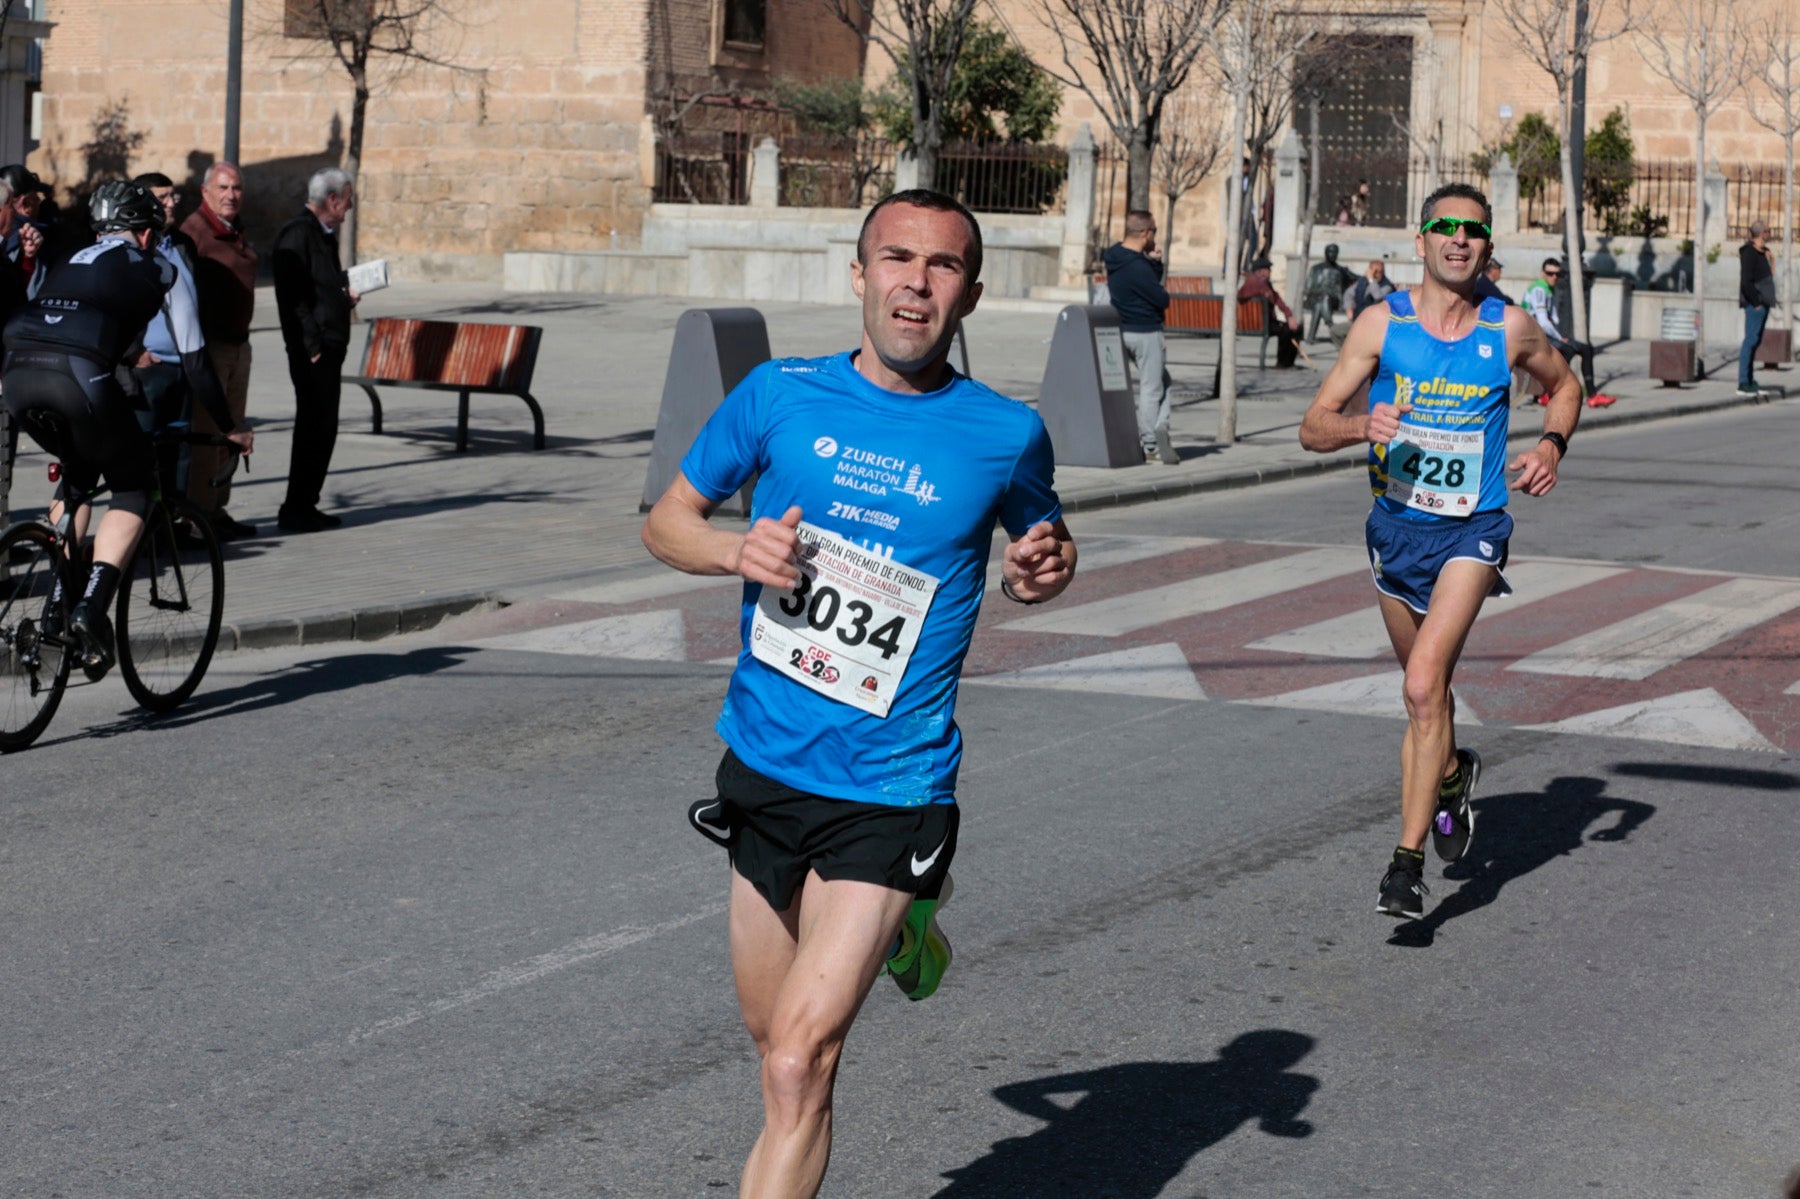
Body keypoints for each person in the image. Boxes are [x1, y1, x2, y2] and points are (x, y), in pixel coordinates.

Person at [640, 188, 1076, 1199]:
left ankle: (898, 901)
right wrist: (728, 547)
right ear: (858, 273)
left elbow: (1040, 546)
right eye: (896, 258)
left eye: (943, 265)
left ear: (969, 292)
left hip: (893, 785)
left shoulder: (1004, 432)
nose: (915, 283)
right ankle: (906, 927)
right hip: (765, 765)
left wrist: (1039, 571)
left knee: (800, 1059)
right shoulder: (779, 394)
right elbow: (667, 519)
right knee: (771, 1045)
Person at [1297, 182, 1581, 920]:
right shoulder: (1378, 327)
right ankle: (1453, 774)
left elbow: (1566, 385)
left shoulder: (1509, 327)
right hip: (1396, 530)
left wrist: (1551, 442)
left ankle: (1405, 862)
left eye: (1474, 230)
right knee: (1431, 702)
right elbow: (1312, 426)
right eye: (1445, 227)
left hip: (1472, 529)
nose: (1459, 238)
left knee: (1424, 686)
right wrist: (1363, 427)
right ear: (1419, 240)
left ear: (1489, 245)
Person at [1, 181, 252, 673]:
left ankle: (58, 598)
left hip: (18, 375)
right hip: (77, 379)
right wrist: (231, 426)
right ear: (145, 233)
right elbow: (196, 360)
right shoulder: (163, 264)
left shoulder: (75, 256)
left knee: (77, 473)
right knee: (134, 487)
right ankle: (91, 607)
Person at [273, 167, 357, 533]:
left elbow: (319, 286)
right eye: (348, 201)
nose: (349, 209)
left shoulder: (321, 234)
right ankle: (296, 507)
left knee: (323, 428)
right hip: (314, 352)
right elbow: (292, 298)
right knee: (314, 428)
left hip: (327, 346)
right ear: (333, 199)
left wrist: (343, 295)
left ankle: (305, 503)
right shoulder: (298, 234)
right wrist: (311, 346)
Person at [131, 171, 221, 501]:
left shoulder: (181, 243)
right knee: (147, 459)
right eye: (163, 198)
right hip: (148, 370)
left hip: (183, 367)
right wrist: (133, 352)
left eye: (173, 197)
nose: (171, 204)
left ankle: (176, 529)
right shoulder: (130, 247)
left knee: (180, 456)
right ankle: (145, 538)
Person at [181, 162, 259, 539]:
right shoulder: (194, 232)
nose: (231, 195)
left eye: (237, 188)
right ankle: (198, 518)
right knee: (208, 436)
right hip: (210, 347)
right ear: (206, 192)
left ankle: (218, 510)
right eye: (224, 188)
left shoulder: (233, 229)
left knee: (234, 432)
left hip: (239, 345)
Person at [1102, 209, 1177, 464]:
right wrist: (1153, 265)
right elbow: (1161, 298)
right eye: (1154, 231)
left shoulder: (1114, 256)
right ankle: (1151, 444)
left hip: (1120, 330)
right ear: (1145, 232)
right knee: (1151, 388)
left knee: (1164, 382)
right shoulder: (1137, 266)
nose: (1155, 236)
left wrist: (1154, 262)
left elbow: (1145, 284)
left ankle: (1160, 426)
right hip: (1146, 332)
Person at [1522, 257, 1615, 407]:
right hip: (1532, 336)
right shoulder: (1539, 289)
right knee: (1566, 350)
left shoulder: (1550, 290)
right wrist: (1560, 339)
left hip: (1543, 334)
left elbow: (1553, 320)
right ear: (1542, 273)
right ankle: (1550, 393)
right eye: (1550, 273)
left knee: (1586, 348)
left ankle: (1592, 395)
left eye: (1557, 274)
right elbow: (1543, 322)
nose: (1554, 277)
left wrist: (1560, 338)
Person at [1737, 220, 1776, 398]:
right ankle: (1743, 382)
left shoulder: (1762, 253)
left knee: (1755, 342)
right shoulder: (1749, 253)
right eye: (1768, 231)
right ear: (1761, 234)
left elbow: (1769, 276)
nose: (1770, 234)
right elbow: (1746, 282)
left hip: (1762, 304)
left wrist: (1770, 258)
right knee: (1750, 341)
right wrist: (1757, 302)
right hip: (1755, 306)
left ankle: (1750, 381)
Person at [1240, 257, 1301, 368]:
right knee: (1287, 330)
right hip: (1259, 324)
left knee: (1295, 328)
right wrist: (1288, 316)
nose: (1270, 271)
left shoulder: (1263, 282)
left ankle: (1288, 362)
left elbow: (1276, 297)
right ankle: (1283, 363)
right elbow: (1242, 297)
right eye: (1267, 269)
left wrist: (1289, 315)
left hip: (1263, 322)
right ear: (1259, 271)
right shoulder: (1255, 282)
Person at [1302, 244, 1356, 342]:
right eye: (1330, 251)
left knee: (1322, 302)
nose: (1333, 254)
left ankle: (1312, 337)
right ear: (1326, 253)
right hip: (1314, 299)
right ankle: (1331, 325)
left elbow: (1357, 277)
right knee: (1320, 302)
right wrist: (1319, 292)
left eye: (1335, 252)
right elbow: (1308, 289)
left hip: (1334, 302)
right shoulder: (1316, 268)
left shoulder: (1342, 270)